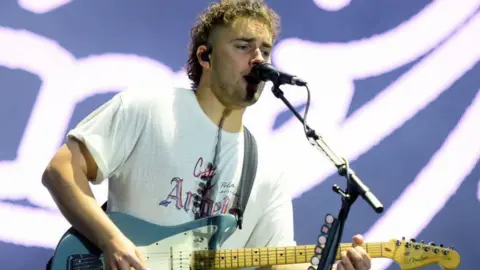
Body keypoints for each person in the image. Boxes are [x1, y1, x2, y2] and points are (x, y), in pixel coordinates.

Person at [42, 1, 372, 269]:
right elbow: (61, 171)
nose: (258, 59)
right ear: (205, 57)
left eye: (265, 50)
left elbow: (277, 263)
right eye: (243, 46)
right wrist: (111, 241)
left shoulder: (268, 167)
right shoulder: (149, 107)